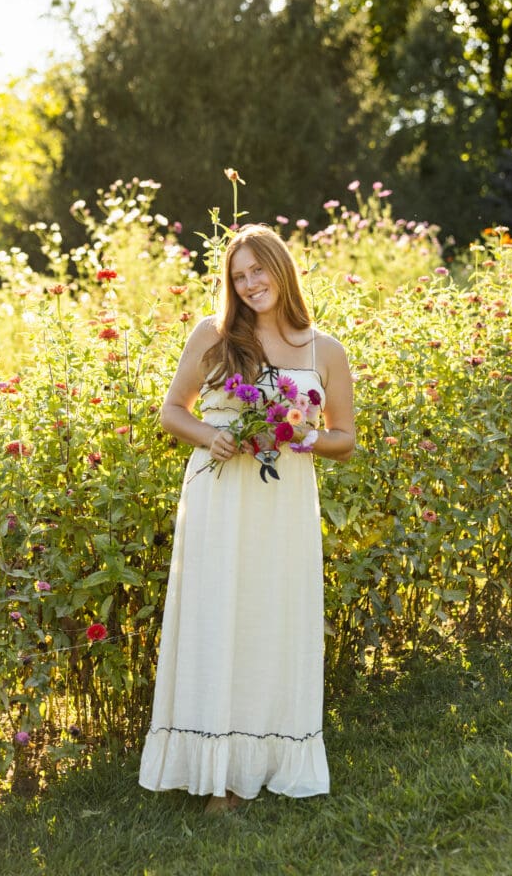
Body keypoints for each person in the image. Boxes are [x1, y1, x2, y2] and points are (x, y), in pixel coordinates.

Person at [138, 223, 355, 812]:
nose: (250, 283)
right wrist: (212, 435)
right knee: (218, 620)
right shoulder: (214, 335)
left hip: (282, 505)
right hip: (221, 498)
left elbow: (346, 437)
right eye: (239, 276)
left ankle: (267, 762)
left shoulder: (324, 349)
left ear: (282, 270)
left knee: (270, 621)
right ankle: (216, 778)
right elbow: (171, 412)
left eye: (258, 270)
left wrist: (305, 436)